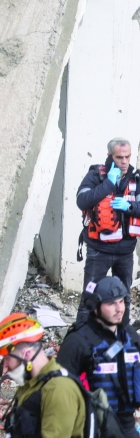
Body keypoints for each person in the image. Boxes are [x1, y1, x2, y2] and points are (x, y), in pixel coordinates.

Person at [58, 276, 140, 438]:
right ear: (95, 307)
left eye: (121, 301)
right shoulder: (77, 342)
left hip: (127, 424)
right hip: (91, 426)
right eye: (111, 303)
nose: (119, 309)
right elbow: (58, 390)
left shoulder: (130, 336)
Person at [74, 138, 140, 324]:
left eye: (127, 157)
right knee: (90, 297)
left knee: (123, 298)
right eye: (119, 157)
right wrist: (108, 184)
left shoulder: (136, 178)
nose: (124, 161)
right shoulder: (96, 175)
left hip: (125, 252)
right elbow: (82, 201)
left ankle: (122, 336)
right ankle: (81, 337)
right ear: (110, 156)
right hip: (99, 251)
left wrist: (130, 206)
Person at [0, 313, 87, 438]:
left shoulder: (58, 389)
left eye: (8, 358)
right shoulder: (32, 383)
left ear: (26, 354)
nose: (5, 367)